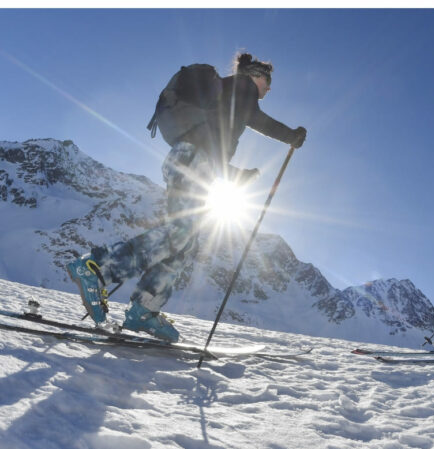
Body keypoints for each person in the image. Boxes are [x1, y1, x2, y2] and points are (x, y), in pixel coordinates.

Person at [66, 52, 307, 342]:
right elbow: (258, 122)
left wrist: (237, 175)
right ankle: (98, 269)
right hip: (193, 160)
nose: (268, 90)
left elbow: (211, 143)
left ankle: (144, 310)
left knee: (182, 242)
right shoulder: (242, 89)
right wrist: (291, 135)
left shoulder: (225, 99)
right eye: (267, 83)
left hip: (191, 160)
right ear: (257, 77)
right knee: (180, 232)